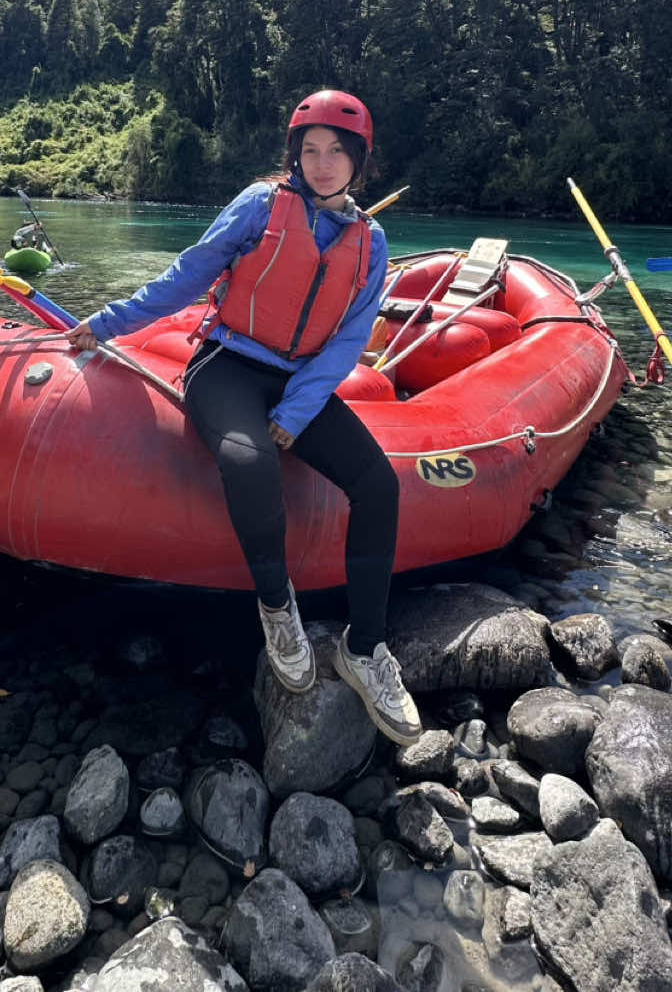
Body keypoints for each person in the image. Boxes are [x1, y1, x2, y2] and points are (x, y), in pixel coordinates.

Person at [64, 90, 422, 745]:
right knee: (248, 459)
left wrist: (297, 407)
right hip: (225, 365)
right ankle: (276, 606)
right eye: (309, 151)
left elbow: (348, 339)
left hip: (299, 379)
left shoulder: (369, 241)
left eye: (335, 152)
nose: (321, 164)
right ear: (293, 155)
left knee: (378, 484)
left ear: (357, 162)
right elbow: (185, 276)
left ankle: (365, 648)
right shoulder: (260, 205)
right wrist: (107, 323)